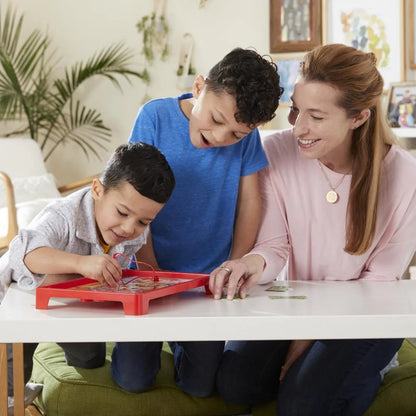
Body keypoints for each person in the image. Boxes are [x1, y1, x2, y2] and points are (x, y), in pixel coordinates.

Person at [209, 44, 416, 415]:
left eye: (316, 117)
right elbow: (274, 245)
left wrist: (305, 338)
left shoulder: (405, 175)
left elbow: (379, 282)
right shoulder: (275, 152)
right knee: (236, 384)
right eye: (295, 109)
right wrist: (250, 264)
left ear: (358, 118)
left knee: (300, 404)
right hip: (300, 303)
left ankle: (370, 371)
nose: (298, 128)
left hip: (368, 313)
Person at [110, 47, 283, 397]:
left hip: (204, 280)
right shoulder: (155, 117)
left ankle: (178, 345)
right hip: (146, 272)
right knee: (133, 379)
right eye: (217, 120)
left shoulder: (247, 140)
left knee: (200, 387)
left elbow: (250, 202)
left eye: (236, 134)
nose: (220, 138)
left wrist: (234, 263)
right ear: (199, 87)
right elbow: (134, 197)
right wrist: (152, 274)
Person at [0, 142, 175, 407]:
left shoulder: (135, 229)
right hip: (18, 298)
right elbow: (24, 254)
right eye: (122, 213)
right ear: (97, 190)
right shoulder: (62, 216)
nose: (129, 228)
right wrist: (81, 263)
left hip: (70, 302)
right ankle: (12, 398)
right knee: (14, 361)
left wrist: (157, 278)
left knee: (90, 357)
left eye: (143, 222)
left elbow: (146, 259)